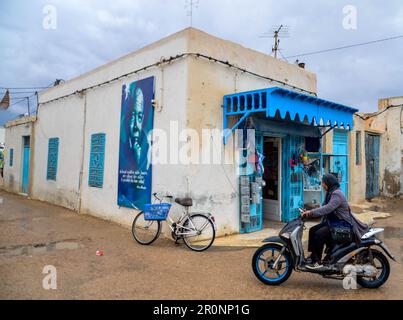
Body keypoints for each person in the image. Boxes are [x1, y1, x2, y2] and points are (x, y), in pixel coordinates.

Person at [302, 173, 369, 270]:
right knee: (313, 230)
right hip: (334, 223)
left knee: (319, 234)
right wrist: (308, 213)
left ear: (328, 183)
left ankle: (316, 260)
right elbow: (323, 208)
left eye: (323, 183)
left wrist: (311, 212)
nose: (322, 185)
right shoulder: (330, 192)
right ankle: (313, 256)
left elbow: (327, 208)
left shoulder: (337, 194)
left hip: (343, 224)